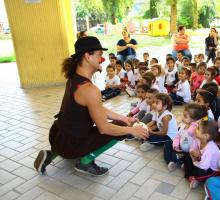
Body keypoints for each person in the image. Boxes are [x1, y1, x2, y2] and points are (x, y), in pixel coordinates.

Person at [33, 36, 148, 176]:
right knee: (120, 130)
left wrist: (125, 118)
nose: (102, 59)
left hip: (58, 135)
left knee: (120, 123)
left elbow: (97, 108)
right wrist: (131, 130)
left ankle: (50, 155)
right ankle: (85, 162)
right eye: (99, 55)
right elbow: (104, 128)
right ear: (88, 56)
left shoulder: (74, 78)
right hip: (70, 144)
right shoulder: (89, 89)